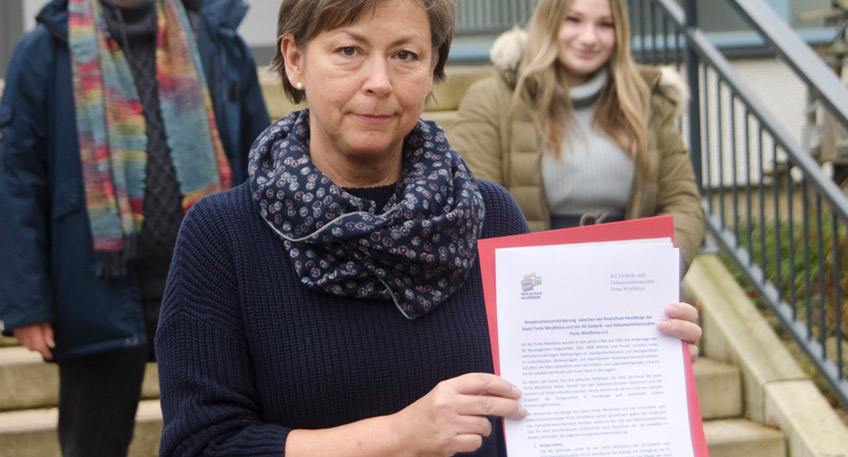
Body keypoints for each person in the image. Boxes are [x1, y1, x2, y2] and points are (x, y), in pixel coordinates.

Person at [154, 0, 703, 455]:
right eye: (349, 51)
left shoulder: (491, 214)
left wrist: (636, 358)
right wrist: (398, 436)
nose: (379, 82)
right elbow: (201, 444)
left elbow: (542, 407)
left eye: (405, 55)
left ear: (434, 66)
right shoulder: (223, 234)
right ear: (294, 60)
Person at [0, 0, 269, 455]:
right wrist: (26, 302)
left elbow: (260, 156)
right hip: (94, 290)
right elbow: (17, 179)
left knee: (218, 441)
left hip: (210, 291)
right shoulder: (43, 51)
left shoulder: (218, 40)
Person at [451, 0, 705, 275]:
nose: (589, 38)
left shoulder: (648, 101)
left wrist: (659, 268)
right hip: (534, 282)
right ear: (548, 21)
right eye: (573, 20)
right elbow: (476, 204)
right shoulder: (493, 98)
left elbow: (683, 203)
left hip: (631, 279)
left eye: (605, 24)